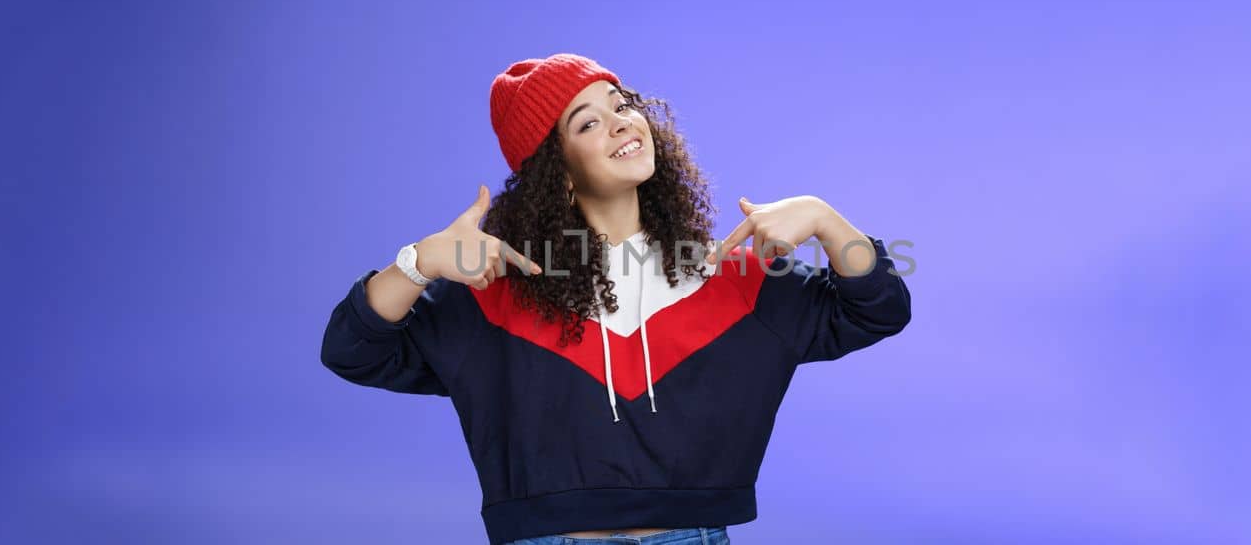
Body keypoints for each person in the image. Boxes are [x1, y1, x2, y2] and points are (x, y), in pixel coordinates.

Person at [320, 53, 912, 544]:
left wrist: (830, 223)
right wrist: (417, 264)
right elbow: (353, 349)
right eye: (588, 122)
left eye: (623, 105)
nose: (623, 122)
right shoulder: (495, 294)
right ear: (560, 174)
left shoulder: (732, 275)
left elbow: (877, 307)